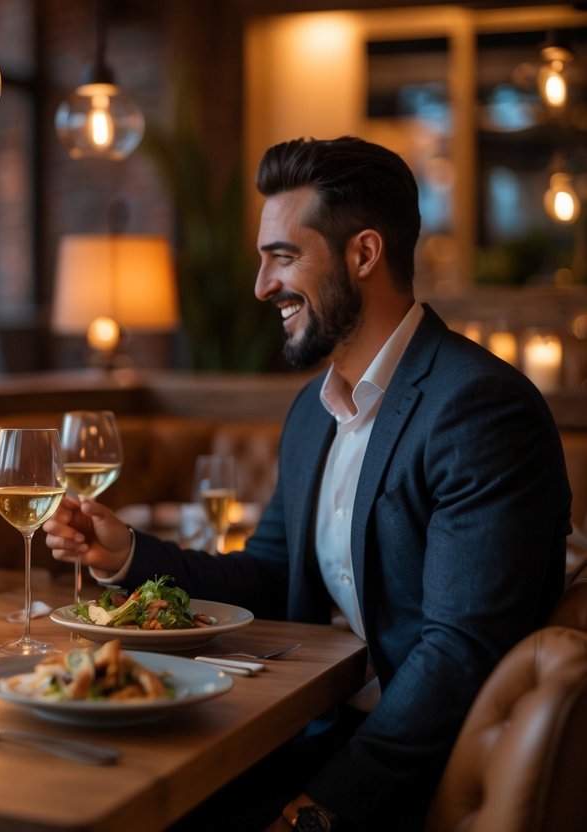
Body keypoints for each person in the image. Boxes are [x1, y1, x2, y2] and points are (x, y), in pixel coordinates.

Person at [45, 137, 570, 831]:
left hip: (405, 771)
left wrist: (326, 804)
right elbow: (269, 574)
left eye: (282, 257)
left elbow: (458, 653)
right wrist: (126, 557)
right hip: (310, 736)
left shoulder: (476, 407)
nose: (262, 285)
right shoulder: (312, 411)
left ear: (363, 255)